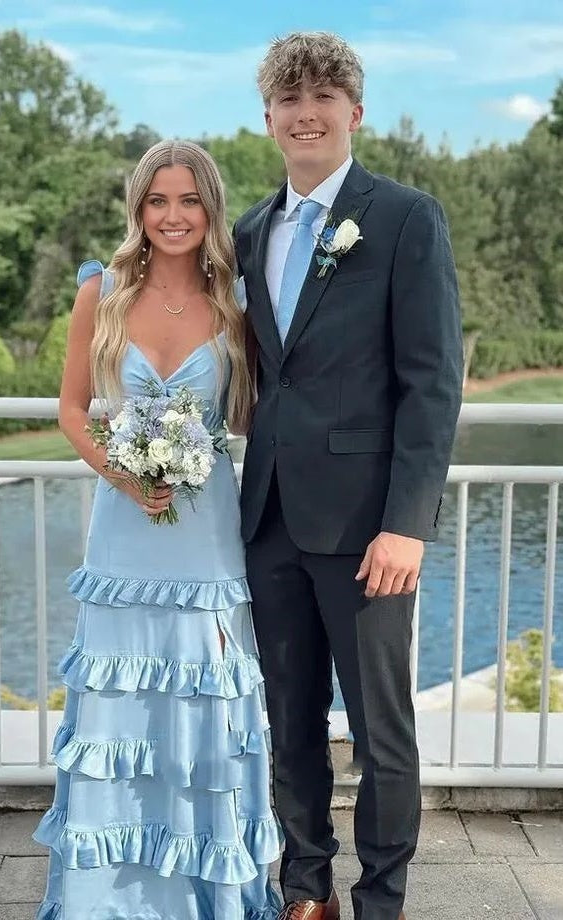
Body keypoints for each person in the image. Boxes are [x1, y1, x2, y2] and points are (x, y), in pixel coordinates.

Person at [234, 32, 464, 920]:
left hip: (369, 529)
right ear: (268, 119)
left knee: (379, 731)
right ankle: (306, 890)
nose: (306, 113)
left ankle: (380, 901)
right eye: (289, 99)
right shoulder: (249, 231)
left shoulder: (403, 217)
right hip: (268, 522)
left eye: (323, 97)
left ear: (353, 113)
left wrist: (406, 523)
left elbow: (430, 383)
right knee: (288, 720)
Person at [34, 140, 281, 920]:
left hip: (207, 535)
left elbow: (256, 414)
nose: (173, 216)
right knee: (122, 695)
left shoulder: (237, 301)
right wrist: (122, 473)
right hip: (123, 532)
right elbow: (72, 410)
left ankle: (208, 894)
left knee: (206, 697)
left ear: (210, 208)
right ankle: (109, 900)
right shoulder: (101, 293)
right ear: (138, 209)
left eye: (188, 201)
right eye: (157, 201)